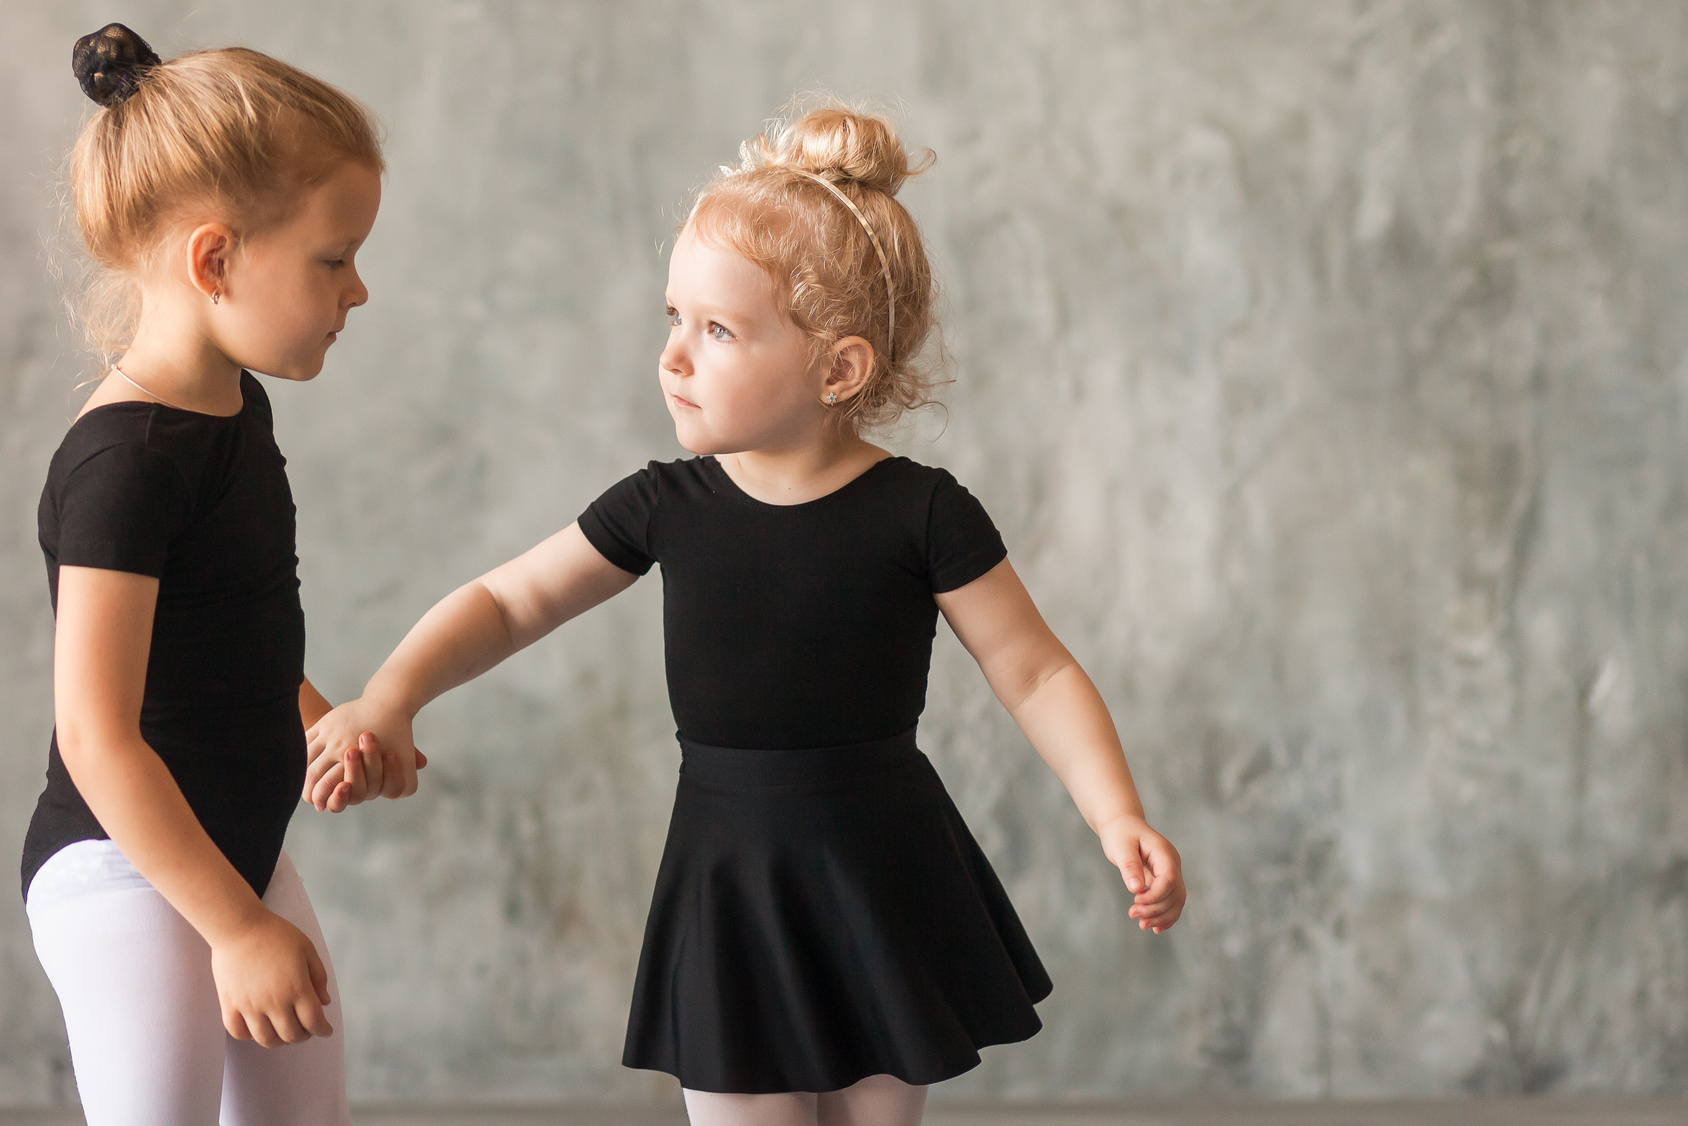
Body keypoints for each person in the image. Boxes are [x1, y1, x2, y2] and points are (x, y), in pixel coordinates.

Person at [305, 104, 1185, 1126]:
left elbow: (1034, 672)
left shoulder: (922, 513)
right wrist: (391, 694)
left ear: (838, 367)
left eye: (716, 330)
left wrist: (1113, 810)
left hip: (880, 876)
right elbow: (507, 602)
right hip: (729, 879)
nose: (675, 356)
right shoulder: (662, 507)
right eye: (671, 319)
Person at [22, 24, 388, 1125]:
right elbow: (97, 735)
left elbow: (222, 637)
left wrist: (316, 717)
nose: (357, 290)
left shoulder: (233, 404)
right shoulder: (125, 463)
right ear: (216, 258)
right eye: (334, 258)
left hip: (239, 847)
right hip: (128, 871)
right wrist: (231, 927)